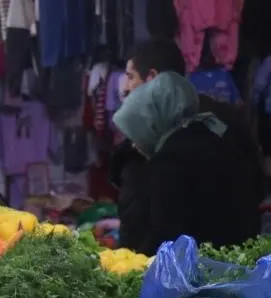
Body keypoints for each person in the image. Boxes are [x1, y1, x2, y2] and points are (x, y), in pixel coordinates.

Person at [113, 38, 264, 251]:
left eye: (130, 77)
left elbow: (150, 226)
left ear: (153, 78)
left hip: (193, 268)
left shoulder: (157, 137)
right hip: (239, 255)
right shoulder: (225, 117)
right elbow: (257, 185)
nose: (126, 88)